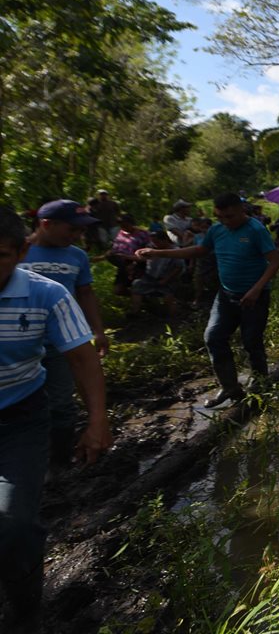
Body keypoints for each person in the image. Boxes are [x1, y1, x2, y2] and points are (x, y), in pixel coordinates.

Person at [0, 206, 112, 630]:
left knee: (12, 524)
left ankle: (25, 606)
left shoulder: (46, 293)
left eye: (0, 257)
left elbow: (83, 359)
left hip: (19, 417)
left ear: (18, 252)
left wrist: (98, 421)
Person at [138, 192, 279, 407]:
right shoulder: (216, 230)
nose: (225, 221)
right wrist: (160, 253)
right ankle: (230, 388)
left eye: (230, 216)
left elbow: (275, 261)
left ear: (242, 210)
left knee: (251, 341)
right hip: (226, 295)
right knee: (213, 337)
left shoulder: (255, 230)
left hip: (254, 297)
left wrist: (256, 290)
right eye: (220, 217)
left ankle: (262, 388)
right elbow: (199, 250)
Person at [18, 199, 111, 466]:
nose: (77, 236)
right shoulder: (17, 252)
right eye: (72, 229)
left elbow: (86, 293)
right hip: (20, 344)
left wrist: (98, 331)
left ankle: (58, 462)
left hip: (62, 344)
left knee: (61, 404)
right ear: (46, 224)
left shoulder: (76, 256)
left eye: (80, 231)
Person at [130, 228, 184, 316]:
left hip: (169, 279)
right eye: (153, 241)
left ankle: (173, 318)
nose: (155, 244)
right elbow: (142, 258)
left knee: (168, 298)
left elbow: (178, 268)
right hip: (150, 277)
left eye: (157, 241)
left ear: (165, 240)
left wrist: (166, 280)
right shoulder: (151, 247)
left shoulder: (175, 250)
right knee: (137, 286)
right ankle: (135, 312)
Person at [103, 213, 150, 296]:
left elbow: (147, 253)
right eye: (121, 226)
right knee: (118, 290)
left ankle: (142, 300)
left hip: (137, 264)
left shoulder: (143, 234)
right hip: (123, 264)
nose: (124, 228)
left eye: (125, 225)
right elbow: (115, 248)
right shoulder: (121, 233)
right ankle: (141, 299)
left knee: (137, 287)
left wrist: (134, 261)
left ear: (131, 223)